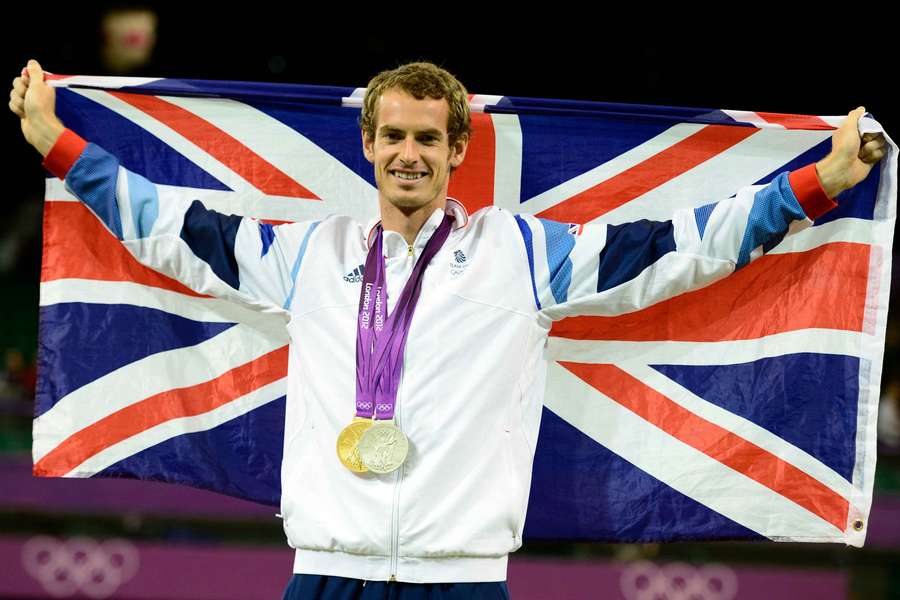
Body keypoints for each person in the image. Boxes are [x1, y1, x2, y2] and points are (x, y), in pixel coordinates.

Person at [10, 59, 887, 599]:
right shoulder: (312, 254)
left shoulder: (522, 255)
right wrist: (57, 145)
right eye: (394, 136)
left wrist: (818, 182)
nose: (410, 154)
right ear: (366, 141)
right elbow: (171, 226)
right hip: (325, 570)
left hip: (463, 580)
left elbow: (676, 250)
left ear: (458, 148)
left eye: (429, 138)